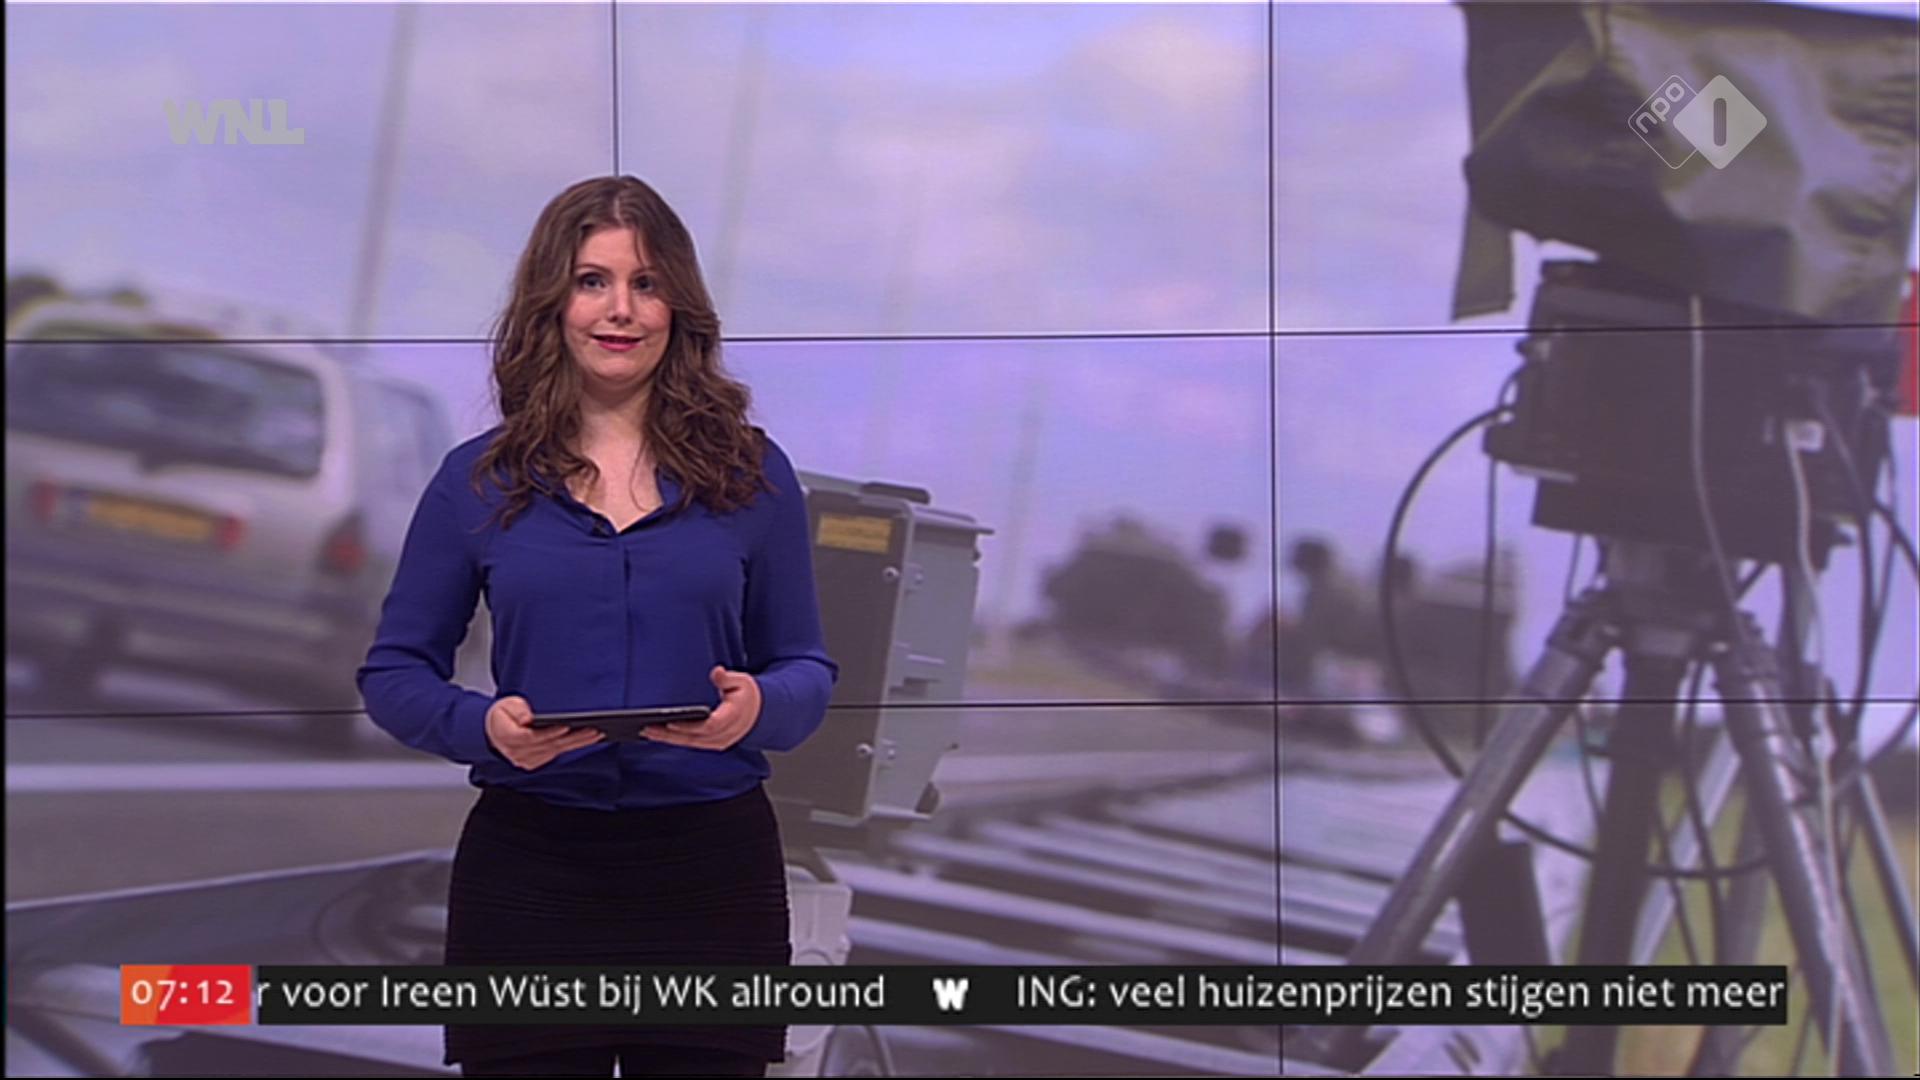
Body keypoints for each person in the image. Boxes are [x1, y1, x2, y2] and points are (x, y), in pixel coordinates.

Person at [356, 175, 839, 1077]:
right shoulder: (475, 482)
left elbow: (807, 667)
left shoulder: (754, 477)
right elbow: (394, 674)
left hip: (710, 882)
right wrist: (481, 727)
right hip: (530, 877)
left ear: (678, 307)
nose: (621, 309)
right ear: (553, 302)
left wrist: (758, 708)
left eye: (646, 284)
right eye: (592, 282)